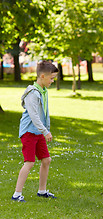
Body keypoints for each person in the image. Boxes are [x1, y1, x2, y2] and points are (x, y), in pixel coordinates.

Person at [12, 61, 59, 202]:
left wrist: (46, 129)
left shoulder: (44, 91)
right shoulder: (32, 93)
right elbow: (34, 116)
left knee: (46, 160)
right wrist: (45, 131)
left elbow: (45, 112)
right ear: (43, 76)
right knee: (29, 162)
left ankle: (42, 191)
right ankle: (17, 194)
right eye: (51, 78)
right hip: (29, 132)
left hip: (38, 132)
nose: (52, 81)